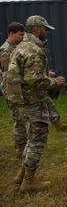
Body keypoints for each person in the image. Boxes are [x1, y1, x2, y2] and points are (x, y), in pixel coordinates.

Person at [7, 15, 66, 192]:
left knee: (30, 140)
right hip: (33, 102)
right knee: (37, 142)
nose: (46, 32)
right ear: (37, 28)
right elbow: (35, 80)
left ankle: (21, 176)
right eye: (45, 29)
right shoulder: (33, 50)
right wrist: (56, 82)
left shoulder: (21, 47)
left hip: (22, 101)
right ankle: (29, 182)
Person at [0, 22, 27, 158]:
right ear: (11, 33)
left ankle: (24, 145)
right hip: (11, 89)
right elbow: (9, 72)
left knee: (24, 117)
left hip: (18, 87)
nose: (23, 37)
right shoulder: (5, 50)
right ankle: (20, 147)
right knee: (19, 118)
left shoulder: (16, 48)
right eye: (20, 34)